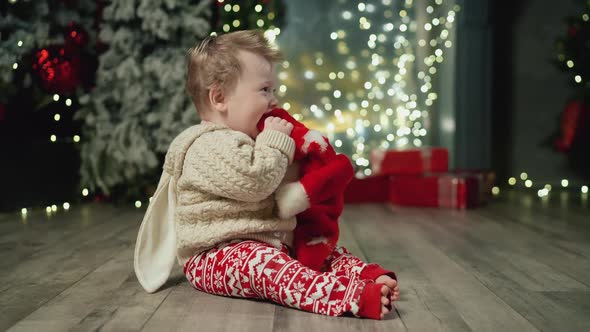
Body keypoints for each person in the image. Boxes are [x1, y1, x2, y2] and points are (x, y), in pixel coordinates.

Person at [134, 29, 399, 320]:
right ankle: (347, 297)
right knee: (268, 268)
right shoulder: (204, 144)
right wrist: (276, 143)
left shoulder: (250, 140)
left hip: (268, 242)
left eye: (274, 91)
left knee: (319, 250)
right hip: (216, 255)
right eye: (264, 90)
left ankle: (364, 275)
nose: (274, 101)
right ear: (220, 97)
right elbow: (255, 181)